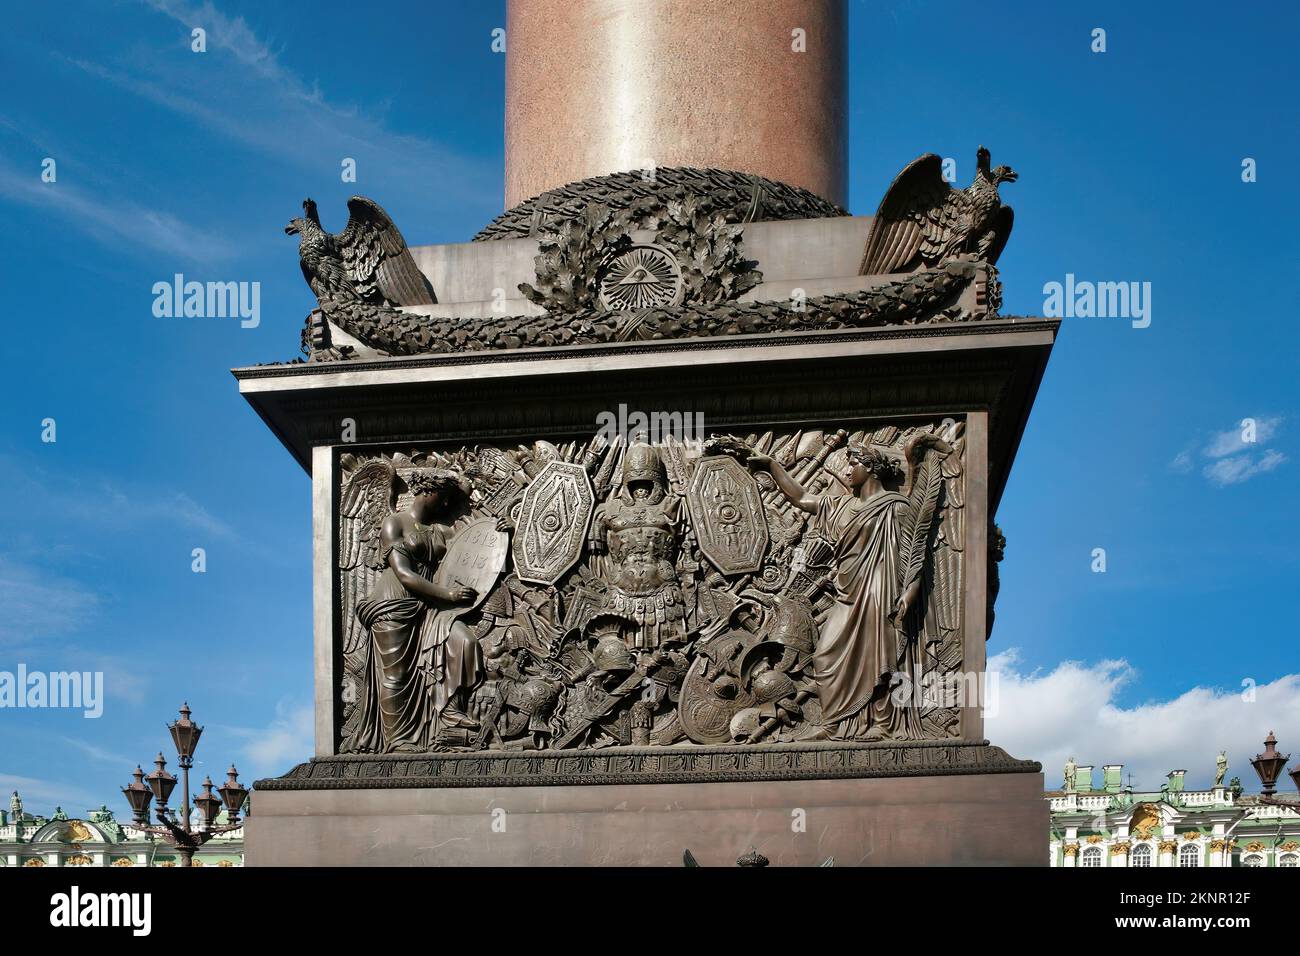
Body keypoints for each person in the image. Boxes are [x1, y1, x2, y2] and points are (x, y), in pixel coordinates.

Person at [749, 443, 921, 740]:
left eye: (852, 464)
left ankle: (881, 723)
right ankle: (835, 723)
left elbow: (914, 554)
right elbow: (801, 497)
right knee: (825, 655)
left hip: (880, 590)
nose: (846, 470)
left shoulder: (896, 507)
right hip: (847, 591)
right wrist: (771, 465)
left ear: (870, 467)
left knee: (878, 654)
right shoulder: (840, 505)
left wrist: (911, 591)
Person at [353, 469, 485, 752]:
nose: (447, 505)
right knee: (396, 674)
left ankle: (451, 715)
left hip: (430, 607)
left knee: (464, 641)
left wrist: (500, 529)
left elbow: (473, 544)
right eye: (445, 497)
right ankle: (398, 741)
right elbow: (404, 575)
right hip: (394, 605)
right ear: (428, 491)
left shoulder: (441, 530)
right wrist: (448, 595)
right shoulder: (394, 523)